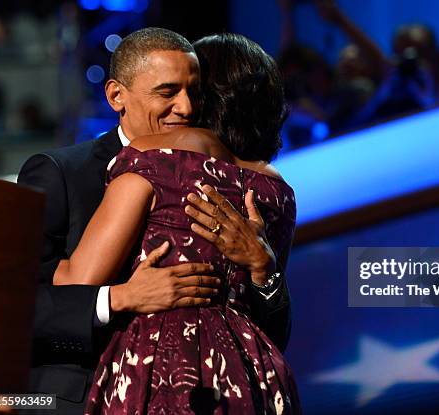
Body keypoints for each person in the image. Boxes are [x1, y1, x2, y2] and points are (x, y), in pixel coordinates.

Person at [17, 28, 287, 414]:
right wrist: (118, 299)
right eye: (167, 92)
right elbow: (11, 304)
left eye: (195, 93)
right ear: (116, 96)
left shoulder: (235, 187)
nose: (187, 108)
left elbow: (271, 333)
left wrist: (264, 268)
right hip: (72, 400)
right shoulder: (62, 173)